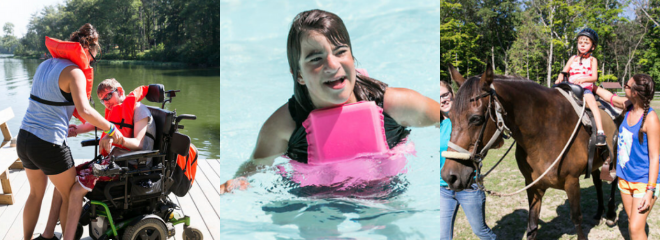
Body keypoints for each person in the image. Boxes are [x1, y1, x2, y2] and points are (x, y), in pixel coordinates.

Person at [219, 9, 440, 193]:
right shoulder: (283, 126)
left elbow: (448, 120)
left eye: (340, 52)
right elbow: (255, 166)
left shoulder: (396, 105)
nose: (333, 65)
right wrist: (238, 182)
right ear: (299, 75)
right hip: (314, 196)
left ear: (352, 58)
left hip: (384, 189)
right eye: (316, 58)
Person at [17, 23, 125, 240]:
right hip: (48, 144)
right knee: (71, 193)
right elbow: (85, 110)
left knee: (35, 194)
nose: (91, 63)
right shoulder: (75, 72)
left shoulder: (45, 65)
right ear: (87, 50)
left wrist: (70, 126)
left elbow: (47, 105)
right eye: (93, 58)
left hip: (24, 138)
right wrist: (111, 129)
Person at [36, 79, 157, 240]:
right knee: (62, 182)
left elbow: (138, 144)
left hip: (131, 166)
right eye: (102, 100)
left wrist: (114, 137)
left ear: (120, 91)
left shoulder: (139, 110)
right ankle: (48, 234)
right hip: (113, 163)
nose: (105, 102)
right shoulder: (116, 110)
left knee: (76, 190)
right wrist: (75, 130)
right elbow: (96, 124)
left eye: (108, 96)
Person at [594, 74, 659, 240]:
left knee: (636, 229)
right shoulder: (628, 106)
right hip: (624, 178)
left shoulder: (651, 119)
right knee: (632, 221)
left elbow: (654, 157)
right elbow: (610, 97)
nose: (624, 87)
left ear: (635, 93)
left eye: (627, 85)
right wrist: (590, 87)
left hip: (644, 182)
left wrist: (650, 190)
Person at [438, 80, 496, 240]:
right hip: (443, 189)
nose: (443, 99)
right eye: (438, 97)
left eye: (445, 94)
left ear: (452, 94)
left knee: (480, 231)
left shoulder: (467, 120)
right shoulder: (437, 125)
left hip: (468, 187)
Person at [555, 28, 606, 146]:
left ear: (593, 47)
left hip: (584, 88)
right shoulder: (573, 58)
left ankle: (600, 132)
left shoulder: (593, 60)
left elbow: (594, 77)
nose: (582, 45)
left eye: (586, 43)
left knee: (593, 104)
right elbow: (564, 72)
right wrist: (559, 78)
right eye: (580, 42)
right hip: (570, 87)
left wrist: (584, 79)